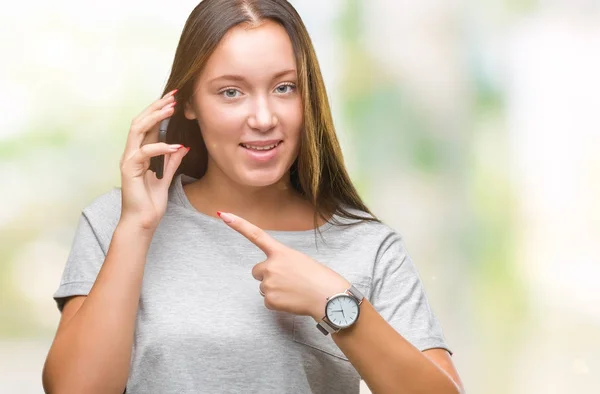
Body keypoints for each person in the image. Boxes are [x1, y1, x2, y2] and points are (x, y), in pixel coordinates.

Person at [42, 1, 464, 393]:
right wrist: (136, 228)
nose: (263, 118)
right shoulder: (116, 221)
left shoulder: (369, 246)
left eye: (284, 88)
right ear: (188, 102)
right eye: (231, 92)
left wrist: (335, 302)